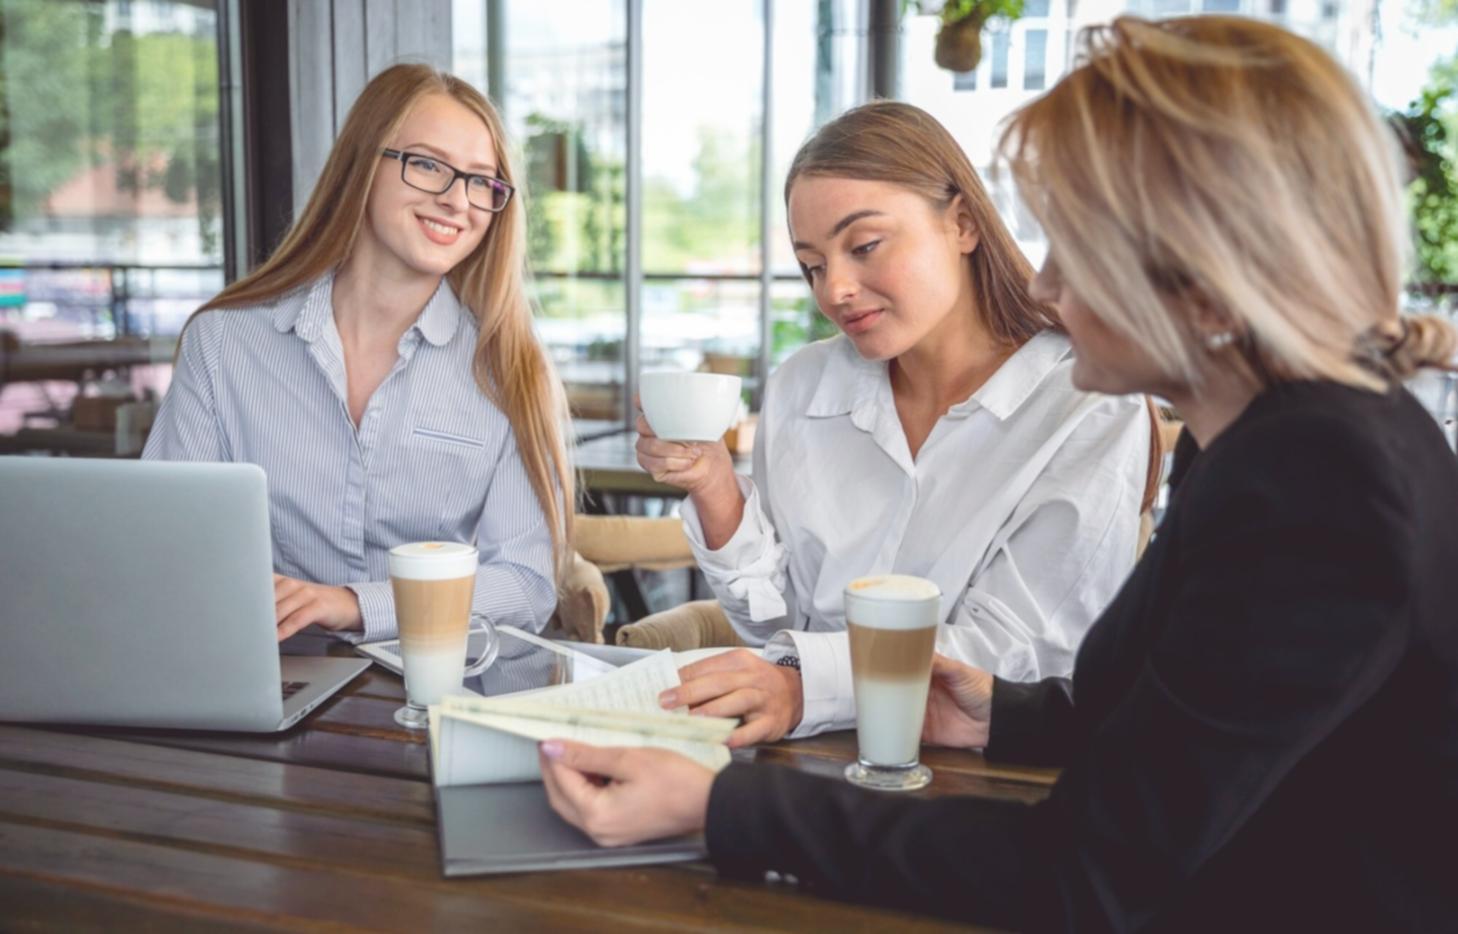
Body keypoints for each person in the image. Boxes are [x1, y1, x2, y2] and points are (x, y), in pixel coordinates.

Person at [539, 16, 1458, 930]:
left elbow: (1082, 872)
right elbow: (1194, 723)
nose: (1048, 287)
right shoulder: (1276, 444)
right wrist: (1004, 718)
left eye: (1074, 245)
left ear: (1201, 273)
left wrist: (718, 808)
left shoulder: (1318, 485)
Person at [636, 101, 1156, 747]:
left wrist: (804, 686)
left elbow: (1018, 654)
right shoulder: (801, 388)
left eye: (864, 246)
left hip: (984, 773)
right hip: (807, 755)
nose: (836, 291)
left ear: (962, 223)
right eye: (813, 265)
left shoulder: (1089, 403)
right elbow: (779, 630)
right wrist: (715, 487)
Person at [144, 64, 572, 642]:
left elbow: (524, 583)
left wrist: (353, 604)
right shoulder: (224, 342)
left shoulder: (510, 368)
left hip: (429, 693)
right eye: (427, 165)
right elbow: (164, 542)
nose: (456, 201)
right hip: (263, 672)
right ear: (362, 165)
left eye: (480, 181)